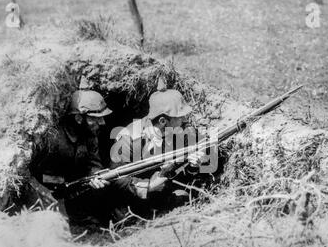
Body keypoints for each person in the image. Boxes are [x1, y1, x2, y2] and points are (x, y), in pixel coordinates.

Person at [109, 86, 208, 218]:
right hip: (132, 199)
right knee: (124, 217)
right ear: (163, 121)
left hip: (165, 193)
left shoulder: (182, 130)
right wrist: (148, 186)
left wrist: (194, 165)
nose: (184, 120)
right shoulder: (129, 138)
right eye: (179, 116)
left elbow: (193, 169)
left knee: (185, 199)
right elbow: (116, 179)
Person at [26, 89, 113, 225]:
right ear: (78, 118)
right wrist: (44, 192)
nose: (102, 122)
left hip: (70, 188)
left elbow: (93, 163)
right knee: (55, 224)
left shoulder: (91, 135)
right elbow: (26, 171)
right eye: (95, 118)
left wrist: (96, 176)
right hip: (43, 188)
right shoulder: (51, 138)